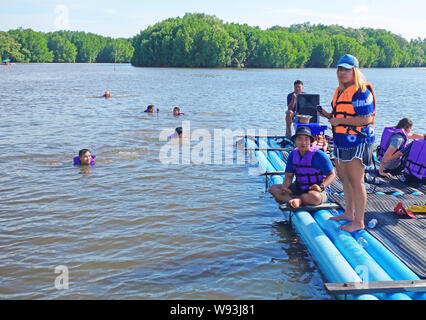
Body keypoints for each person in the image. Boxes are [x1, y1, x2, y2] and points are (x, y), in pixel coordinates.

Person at [319, 54, 376, 232]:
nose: (342, 72)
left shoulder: (361, 91)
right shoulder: (340, 90)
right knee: (344, 178)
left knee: (356, 180)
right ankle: (349, 213)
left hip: (358, 141)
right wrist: (327, 115)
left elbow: (365, 119)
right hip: (341, 140)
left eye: (346, 69)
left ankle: (359, 221)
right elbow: (341, 116)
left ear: (355, 71)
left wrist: (340, 122)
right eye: (340, 69)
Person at [269, 126, 336, 208]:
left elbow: (332, 174)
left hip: (316, 189)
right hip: (299, 186)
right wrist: (285, 187)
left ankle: (296, 199)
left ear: (311, 141)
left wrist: (321, 187)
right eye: (300, 139)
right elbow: (289, 176)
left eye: (306, 139)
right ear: (295, 141)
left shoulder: (319, 155)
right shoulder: (293, 154)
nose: (303, 142)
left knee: (315, 197)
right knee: (273, 188)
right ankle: (293, 200)